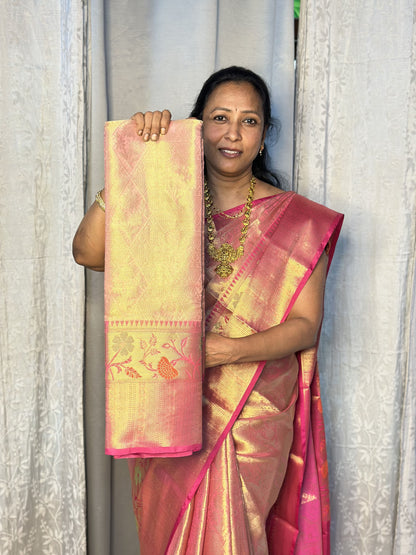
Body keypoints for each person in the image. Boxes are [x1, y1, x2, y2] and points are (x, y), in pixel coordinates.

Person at [73, 66, 343, 554]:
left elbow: (305, 327)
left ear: (263, 137)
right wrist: (134, 165)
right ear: (197, 127)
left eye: (249, 121)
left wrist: (231, 351)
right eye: (219, 118)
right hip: (170, 403)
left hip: (252, 412)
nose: (233, 134)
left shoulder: (298, 221)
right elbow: (89, 253)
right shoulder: (162, 201)